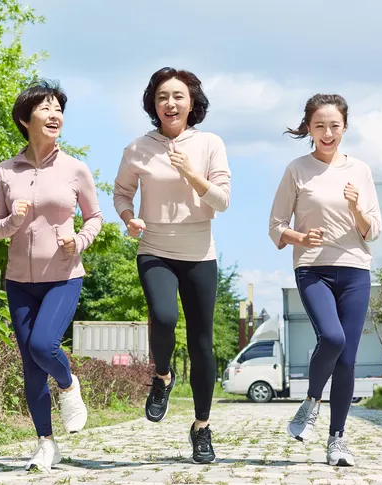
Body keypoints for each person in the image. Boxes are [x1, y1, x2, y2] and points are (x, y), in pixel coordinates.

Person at [113, 67, 231, 464]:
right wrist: (128, 217)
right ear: (153, 103)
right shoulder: (137, 148)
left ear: (192, 102)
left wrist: (192, 174)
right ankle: (162, 376)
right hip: (155, 247)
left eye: (178, 96)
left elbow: (222, 200)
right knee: (163, 318)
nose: (170, 103)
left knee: (202, 343)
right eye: (163, 96)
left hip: (199, 252)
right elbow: (121, 192)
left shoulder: (210, 143)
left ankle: (201, 426)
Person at [0, 79, 103, 473]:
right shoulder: (6, 171)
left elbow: (94, 217)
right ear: (26, 119)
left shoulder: (75, 169)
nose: (55, 115)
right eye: (46, 108)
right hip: (19, 280)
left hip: (63, 276)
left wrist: (80, 241)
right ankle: (46, 444)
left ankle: (69, 385)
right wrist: (13, 220)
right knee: (31, 365)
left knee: (43, 345)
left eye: (59, 109)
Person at [268, 93, 382, 467]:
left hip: (355, 269)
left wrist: (356, 207)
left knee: (347, 358)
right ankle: (312, 400)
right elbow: (276, 226)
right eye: (320, 126)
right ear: (309, 129)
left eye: (334, 126)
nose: (328, 133)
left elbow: (372, 230)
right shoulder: (297, 169)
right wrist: (301, 238)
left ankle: (337, 440)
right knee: (332, 338)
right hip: (313, 268)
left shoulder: (360, 171)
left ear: (344, 127)